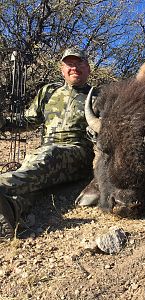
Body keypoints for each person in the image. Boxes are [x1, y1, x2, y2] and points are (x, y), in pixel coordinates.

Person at [0, 47, 96, 240]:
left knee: (46, 157)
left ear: (88, 68)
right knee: (35, 177)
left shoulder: (98, 96)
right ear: (62, 69)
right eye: (69, 64)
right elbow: (27, 120)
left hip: (77, 153)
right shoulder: (48, 91)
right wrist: (4, 122)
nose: (74, 68)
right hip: (44, 153)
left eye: (79, 63)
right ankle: (9, 210)